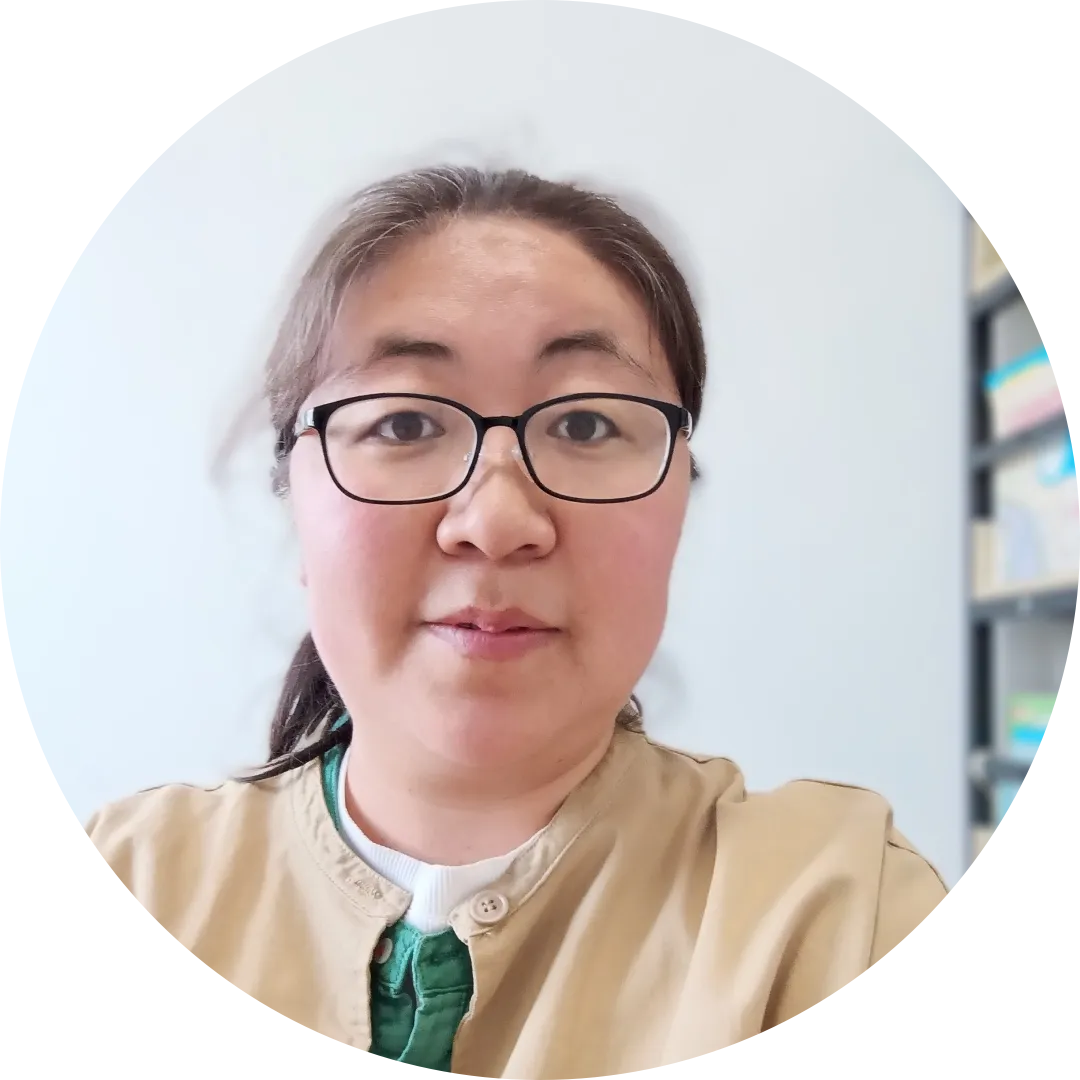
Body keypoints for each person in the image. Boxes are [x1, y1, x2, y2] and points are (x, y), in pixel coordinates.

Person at [86, 166, 947, 1074]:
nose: (497, 521)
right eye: (404, 424)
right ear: (297, 506)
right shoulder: (141, 876)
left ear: (677, 510)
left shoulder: (837, 919)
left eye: (585, 426)